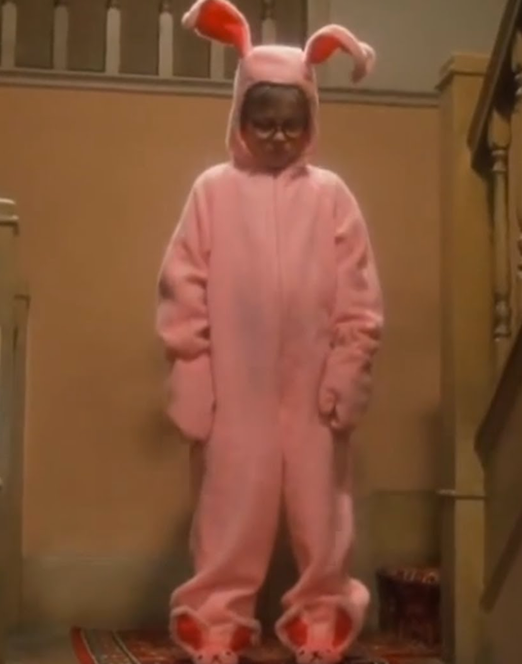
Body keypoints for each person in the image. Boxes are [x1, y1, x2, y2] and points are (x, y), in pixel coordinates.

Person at [154, 1, 383, 663]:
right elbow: (182, 283)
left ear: (310, 122)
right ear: (239, 118)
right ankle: (214, 618)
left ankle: (323, 613)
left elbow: (359, 293)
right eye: (264, 122)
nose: (278, 136)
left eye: (292, 124)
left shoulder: (331, 195)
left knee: (322, 510)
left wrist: (348, 366)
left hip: (315, 390)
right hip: (236, 388)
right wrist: (191, 370)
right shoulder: (212, 191)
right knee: (229, 505)